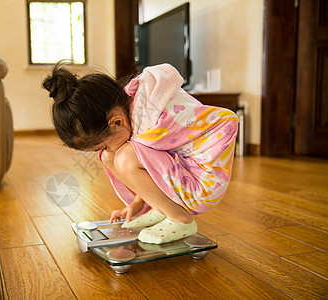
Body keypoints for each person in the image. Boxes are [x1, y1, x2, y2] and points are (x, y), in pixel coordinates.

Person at [42, 62, 238, 244]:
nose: (105, 151)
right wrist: (137, 203)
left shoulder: (156, 119)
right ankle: (161, 209)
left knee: (125, 156)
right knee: (112, 157)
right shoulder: (139, 112)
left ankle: (180, 219)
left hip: (202, 186)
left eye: (103, 145)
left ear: (117, 122)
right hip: (185, 172)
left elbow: (226, 120)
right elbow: (153, 164)